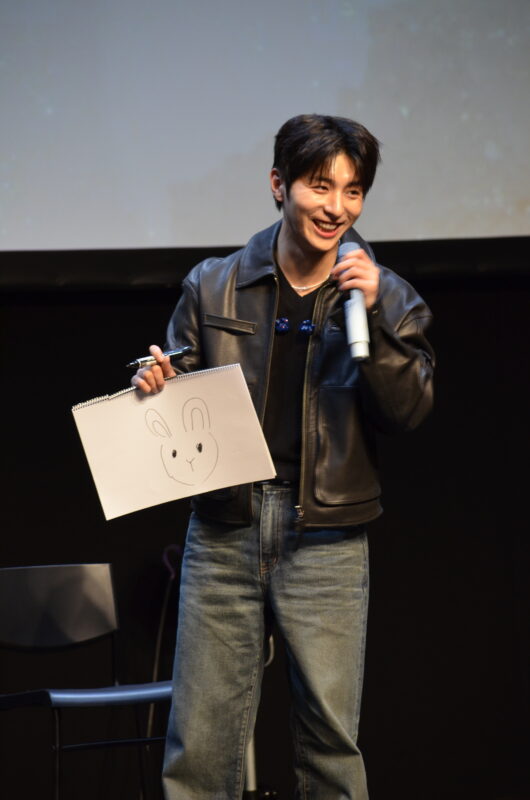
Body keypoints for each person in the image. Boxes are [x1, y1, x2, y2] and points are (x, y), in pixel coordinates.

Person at [132, 114, 434, 800]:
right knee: (200, 747)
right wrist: (156, 385)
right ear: (279, 184)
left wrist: (372, 315)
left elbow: (409, 411)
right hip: (225, 527)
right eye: (319, 185)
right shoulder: (213, 285)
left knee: (330, 746)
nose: (336, 207)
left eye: (353, 191)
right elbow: (177, 398)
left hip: (326, 536)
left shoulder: (385, 294)